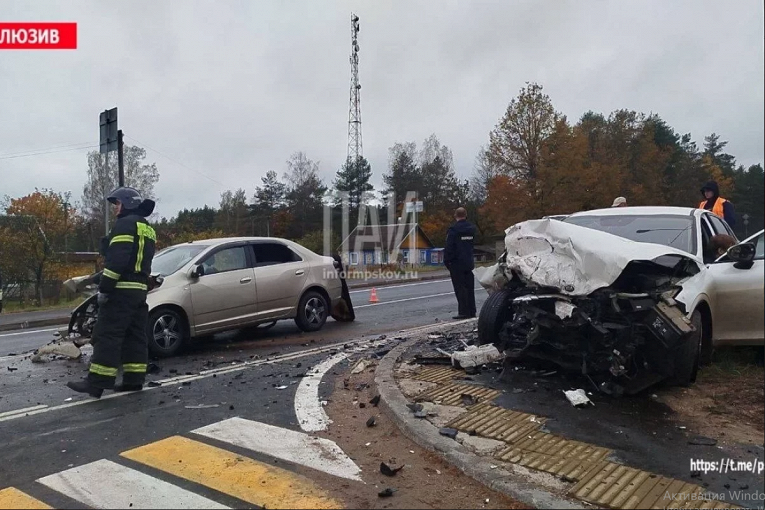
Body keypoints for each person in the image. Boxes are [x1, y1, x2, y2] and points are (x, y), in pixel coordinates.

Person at [67, 187, 157, 398]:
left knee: (107, 335)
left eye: (117, 203)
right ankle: (134, 380)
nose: (116, 208)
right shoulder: (147, 228)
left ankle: (96, 383)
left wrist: (105, 288)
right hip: (139, 291)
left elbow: (117, 261)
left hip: (120, 291)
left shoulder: (124, 225)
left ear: (127, 203)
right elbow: (135, 261)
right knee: (135, 336)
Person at [444, 207, 476, 320]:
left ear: (455, 216)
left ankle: (463, 311)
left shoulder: (453, 230)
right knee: (470, 288)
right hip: (469, 262)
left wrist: (447, 261)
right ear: (466, 215)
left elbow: (449, 247)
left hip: (457, 263)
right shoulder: (471, 229)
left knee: (460, 288)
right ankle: (472, 310)